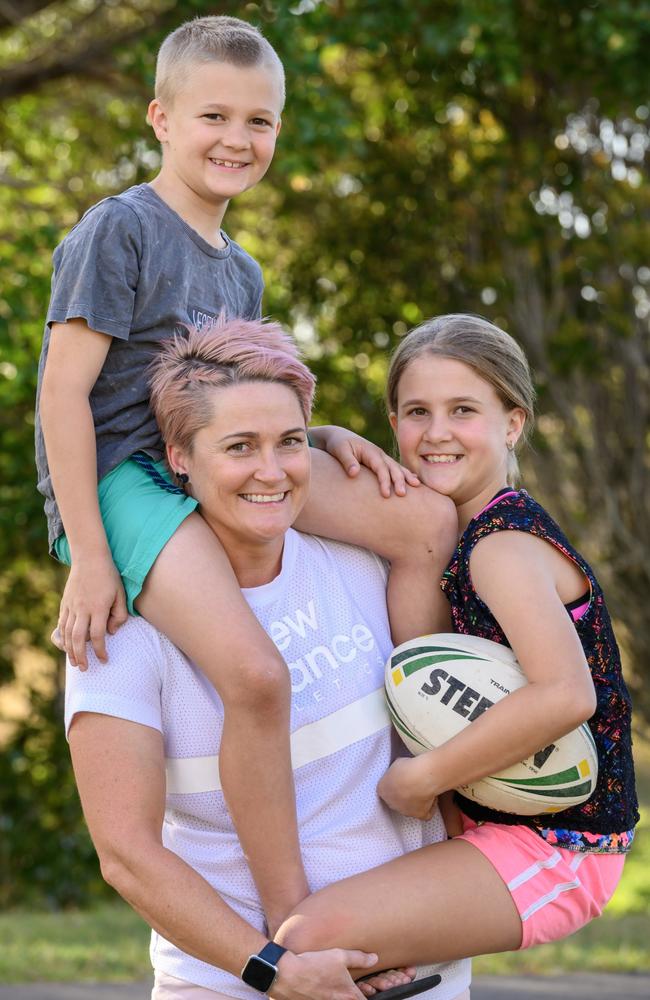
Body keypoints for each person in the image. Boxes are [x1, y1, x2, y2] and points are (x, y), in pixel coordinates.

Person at [35, 15, 456, 936]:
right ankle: (293, 924)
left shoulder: (244, 272)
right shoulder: (120, 231)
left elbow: (246, 398)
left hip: (222, 460)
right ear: (161, 117)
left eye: (258, 122)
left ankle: (423, 764)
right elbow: (61, 395)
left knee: (423, 523)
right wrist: (91, 557)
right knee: (257, 678)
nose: (237, 140)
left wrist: (327, 431)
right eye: (213, 116)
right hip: (130, 483)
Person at [65, 317, 471, 1000]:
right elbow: (128, 857)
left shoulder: (367, 564)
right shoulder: (121, 627)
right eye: (238, 447)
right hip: (235, 984)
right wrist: (272, 967)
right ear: (179, 457)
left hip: (415, 973)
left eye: (288, 443)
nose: (270, 471)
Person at [275, 313, 638, 968]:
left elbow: (566, 695)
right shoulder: (436, 530)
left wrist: (424, 778)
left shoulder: (500, 546)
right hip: (493, 820)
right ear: (393, 425)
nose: (436, 433)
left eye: (463, 410)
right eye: (417, 411)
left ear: (513, 423)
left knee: (309, 940)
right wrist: (323, 434)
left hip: (558, 846)